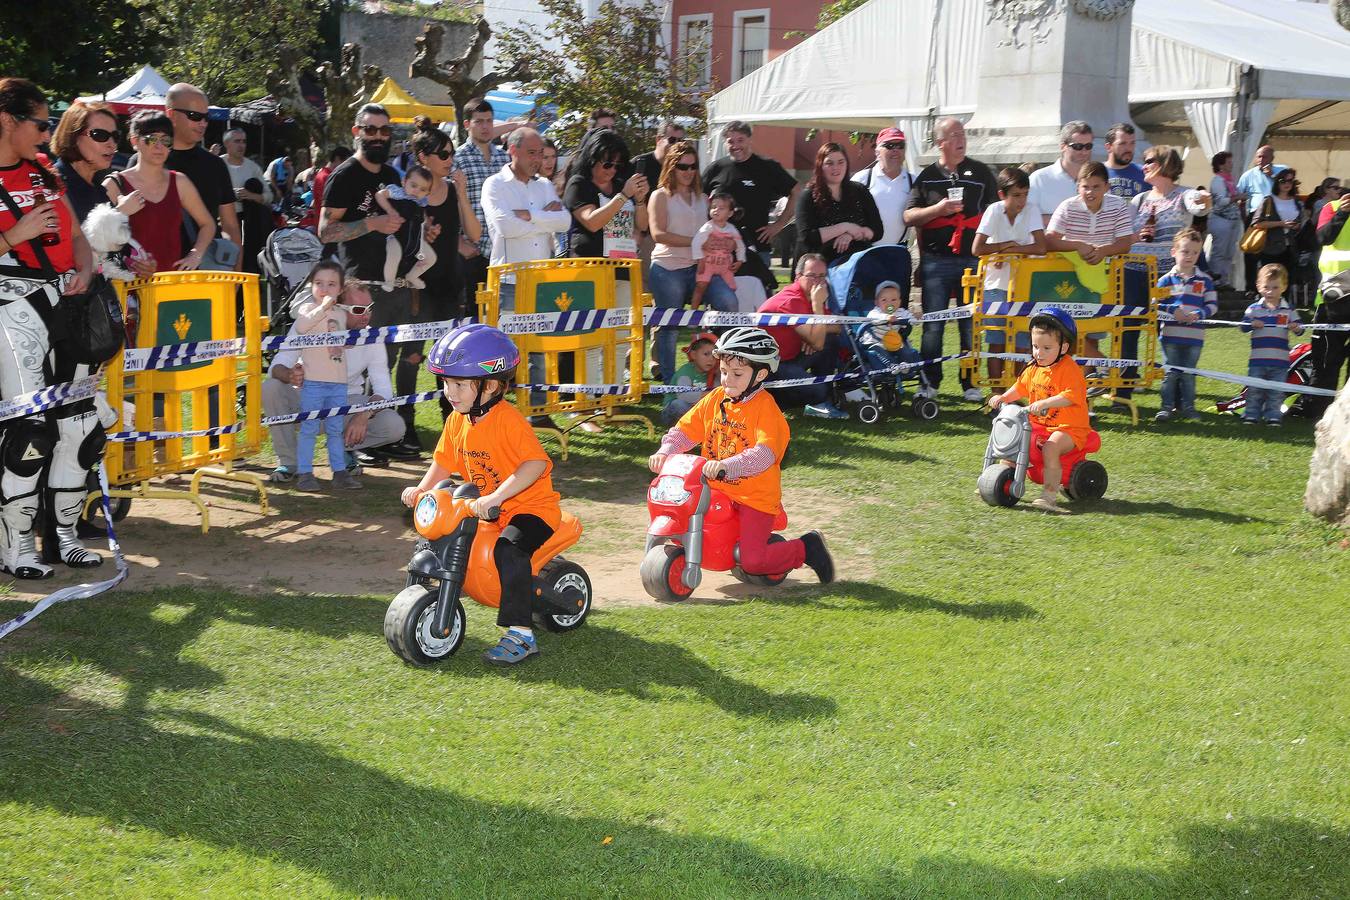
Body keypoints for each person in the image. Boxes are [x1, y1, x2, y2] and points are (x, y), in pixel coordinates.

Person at [401, 325, 564, 666]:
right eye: (446, 383)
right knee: (443, 536)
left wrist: (497, 498)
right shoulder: (458, 421)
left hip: (530, 509)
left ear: (490, 385)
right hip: (487, 509)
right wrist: (422, 489)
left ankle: (521, 635)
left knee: (510, 550)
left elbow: (535, 463)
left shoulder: (508, 421)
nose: (450, 392)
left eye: (459, 384)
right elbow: (443, 463)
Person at [0, 77, 103, 577]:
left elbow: (77, 233)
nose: (47, 135)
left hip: (65, 302)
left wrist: (84, 267)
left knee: (82, 426)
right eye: (40, 124)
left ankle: (62, 537)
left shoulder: (43, 171)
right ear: (7, 120)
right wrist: (14, 234)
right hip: (10, 305)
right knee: (29, 429)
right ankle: (14, 547)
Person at [648, 327, 835, 583]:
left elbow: (763, 455)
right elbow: (686, 430)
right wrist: (666, 450)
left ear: (760, 374)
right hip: (715, 488)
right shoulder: (715, 399)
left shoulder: (767, 410)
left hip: (754, 496)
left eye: (737, 374)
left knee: (753, 561)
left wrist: (727, 465)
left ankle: (806, 548)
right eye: (723, 372)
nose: (727, 380)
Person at [264, 281, 406, 483]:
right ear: (336, 308)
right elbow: (275, 367)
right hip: (306, 402)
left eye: (369, 309)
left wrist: (364, 415)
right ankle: (289, 461)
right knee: (271, 387)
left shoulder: (372, 336)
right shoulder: (307, 324)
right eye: (358, 310)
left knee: (394, 426)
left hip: (347, 405)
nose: (366, 316)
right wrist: (288, 375)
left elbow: (384, 389)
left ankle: (342, 448)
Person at [904, 117, 1000, 402]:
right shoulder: (927, 176)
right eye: (955, 135)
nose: (962, 139)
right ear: (941, 142)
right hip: (936, 261)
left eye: (964, 134)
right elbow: (909, 216)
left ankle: (970, 383)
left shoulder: (981, 172)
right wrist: (938, 208)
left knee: (970, 324)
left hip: (973, 259)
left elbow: (995, 212)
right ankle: (929, 383)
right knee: (933, 326)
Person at [319, 104, 407, 379]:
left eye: (384, 130)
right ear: (357, 132)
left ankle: (377, 417)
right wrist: (371, 223)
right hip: (359, 288)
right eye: (371, 130)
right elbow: (325, 231)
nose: (378, 136)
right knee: (355, 367)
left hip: (393, 284)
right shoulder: (345, 175)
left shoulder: (392, 175)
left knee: (385, 363)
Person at [647, 141, 737, 382]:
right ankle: (669, 382)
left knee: (728, 303)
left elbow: (714, 229)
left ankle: (721, 371)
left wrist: (728, 244)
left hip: (701, 269)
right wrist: (696, 242)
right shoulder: (659, 196)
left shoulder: (702, 198)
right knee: (671, 325)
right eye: (682, 166)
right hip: (668, 267)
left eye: (693, 166)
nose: (688, 171)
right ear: (671, 167)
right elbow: (658, 234)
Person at [987, 308, 1090, 515]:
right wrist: (1002, 397)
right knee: (1012, 439)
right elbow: (1020, 387)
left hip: (1070, 428)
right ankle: (998, 480)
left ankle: (1049, 495)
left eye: (1046, 348)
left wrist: (1044, 403)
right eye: (1035, 346)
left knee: (1050, 447)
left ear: (1063, 347)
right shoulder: (1034, 367)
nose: (1039, 353)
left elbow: (1071, 396)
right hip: (1040, 424)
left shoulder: (1069, 369)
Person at [1045, 161, 1138, 367]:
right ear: (1078, 186)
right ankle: (1099, 366)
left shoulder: (1118, 206)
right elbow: (1049, 240)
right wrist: (1077, 246)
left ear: (1107, 187)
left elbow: (1125, 243)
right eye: (1085, 186)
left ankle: (1089, 383)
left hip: (1104, 278)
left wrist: (1103, 251)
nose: (1090, 192)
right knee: (1066, 329)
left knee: (1094, 329)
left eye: (1096, 186)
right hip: (1066, 279)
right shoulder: (1067, 206)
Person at [103, 112, 216, 275]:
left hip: (171, 287)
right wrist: (119, 212)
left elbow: (208, 224)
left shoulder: (179, 181)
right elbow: (92, 238)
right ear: (135, 141)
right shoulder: (115, 184)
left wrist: (195, 255)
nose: (159, 146)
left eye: (166, 140)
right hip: (128, 291)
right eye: (151, 139)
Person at [289, 261, 360, 491]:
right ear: (311, 286)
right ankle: (305, 473)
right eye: (319, 283)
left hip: (338, 383)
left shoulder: (341, 314)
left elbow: (339, 340)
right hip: (313, 383)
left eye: (331, 284)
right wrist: (322, 308)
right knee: (309, 429)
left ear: (340, 290)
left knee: (335, 429)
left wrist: (346, 343)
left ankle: (339, 471)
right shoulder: (307, 310)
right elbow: (301, 327)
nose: (324, 289)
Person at [973, 167, 1046, 380]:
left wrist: (1008, 249)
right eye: (1016, 195)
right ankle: (997, 394)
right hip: (995, 286)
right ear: (1002, 195)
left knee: (1023, 344)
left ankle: (1016, 395)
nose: (1021, 201)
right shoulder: (994, 211)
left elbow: (1041, 247)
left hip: (1024, 286)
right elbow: (977, 248)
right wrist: (1006, 246)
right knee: (996, 341)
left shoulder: (1031, 209)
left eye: (1025, 194)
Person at [759, 253, 848, 419]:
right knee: (817, 390)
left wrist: (815, 331)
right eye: (812, 276)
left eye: (822, 276)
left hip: (788, 359)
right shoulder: (792, 300)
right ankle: (774, 400)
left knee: (830, 340)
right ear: (798, 276)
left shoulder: (808, 295)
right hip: (769, 368)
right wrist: (817, 309)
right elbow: (818, 343)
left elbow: (837, 326)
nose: (818, 281)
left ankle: (822, 402)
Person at [163, 83, 241, 269]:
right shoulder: (145, 162)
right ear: (171, 115)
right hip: (157, 275)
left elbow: (230, 226)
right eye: (195, 116)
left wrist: (235, 277)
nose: (203, 123)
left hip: (207, 273)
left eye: (206, 117)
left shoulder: (215, 165)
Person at [701, 121, 799, 269]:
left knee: (757, 291)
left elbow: (797, 191)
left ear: (750, 139)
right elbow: (698, 200)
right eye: (730, 141)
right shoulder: (716, 168)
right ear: (725, 143)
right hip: (719, 250)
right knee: (720, 292)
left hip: (757, 248)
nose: (735, 146)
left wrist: (779, 225)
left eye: (740, 140)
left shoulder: (767, 167)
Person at [1154, 229, 1218, 423]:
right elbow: (1154, 304)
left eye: (1195, 252)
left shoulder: (1205, 280)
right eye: (1185, 251)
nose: (1190, 256)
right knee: (1171, 374)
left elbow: (1213, 306)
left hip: (1194, 338)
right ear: (1174, 252)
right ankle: (1166, 408)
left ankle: (1189, 408)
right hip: (1170, 336)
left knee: (1189, 374)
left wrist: (1199, 314)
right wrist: (1173, 310)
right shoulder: (1165, 279)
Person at [453, 98, 510, 313]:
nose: (486, 126)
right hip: (471, 252)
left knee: (503, 315)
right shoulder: (457, 159)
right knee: (472, 317)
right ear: (467, 124)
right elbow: (448, 206)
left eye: (489, 121)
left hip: (501, 252)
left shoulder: (504, 159)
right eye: (479, 121)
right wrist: (458, 243)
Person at [795, 141, 882, 266]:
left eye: (841, 162)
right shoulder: (808, 196)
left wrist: (851, 235)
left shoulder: (860, 191)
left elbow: (877, 230)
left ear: (847, 164)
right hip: (819, 270)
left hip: (855, 267)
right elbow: (808, 237)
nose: (836, 168)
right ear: (820, 166)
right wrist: (845, 227)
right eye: (829, 163)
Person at [1239, 263, 1305, 426]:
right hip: (1257, 360)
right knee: (1254, 390)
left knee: (1276, 391)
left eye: (1275, 287)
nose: (1270, 291)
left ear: (1284, 287)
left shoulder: (1288, 310)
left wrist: (1296, 327)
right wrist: (1251, 323)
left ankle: (1273, 416)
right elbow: (1242, 326)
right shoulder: (1253, 309)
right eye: (1266, 287)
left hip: (1280, 362)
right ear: (1258, 286)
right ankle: (1251, 415)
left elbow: (1301, 329)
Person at [1132, 146, 1211, 275]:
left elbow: (1198, 208)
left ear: (1166, 162)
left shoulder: (1184, 194)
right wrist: (1137, 236)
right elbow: (1124, 237)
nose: (1143, 167)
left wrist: (1203, 199)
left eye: (1149, 161)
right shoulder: (1140, 199)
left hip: (1168, 275)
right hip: (1133, 272)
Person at [1310, 187, 1350, 415]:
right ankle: (1320, 413)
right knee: (1326, 361)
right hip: (1331, 299)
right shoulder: (1331, 208)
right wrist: (1342, 214)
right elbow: (1323, 238)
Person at [48, 100, 115, 223]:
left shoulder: (97, 187)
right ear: (74, 137)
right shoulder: (54, 185)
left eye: (115, 136)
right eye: (100, 135)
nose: (112, 144)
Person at [374, 165, 436, 291]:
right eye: (413, 185)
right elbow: (379, 195)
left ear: (428, 192)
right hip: (396, 236)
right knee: (393, 255)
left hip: (415, 240)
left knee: (431, 258)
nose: (417, 191)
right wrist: (390, 210)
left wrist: (429, 226)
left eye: (423, 189)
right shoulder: (398, 193)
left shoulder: (421, 202)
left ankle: (412, 276)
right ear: (404, 182)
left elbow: (423, 217)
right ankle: (389, 281)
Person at [1247, 168, 1306, 299]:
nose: (1287, 184)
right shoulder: (1269, 200)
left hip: (1290, 247)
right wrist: (1281, 223)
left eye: (1290, 181)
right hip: (1270, 247)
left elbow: (1300, 222)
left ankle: (1284, 308)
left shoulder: (1296, 202)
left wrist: (1296, 226)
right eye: (1283, 181)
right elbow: (1257, 223)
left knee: (1286, 281)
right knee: (1269, 278)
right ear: (1277, 183)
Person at [221, 128, 272, 276]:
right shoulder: (217, 164)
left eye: (244, 141)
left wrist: (251, 195)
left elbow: (268, 196)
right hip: (222, 221)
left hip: (249, 222)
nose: (241, 145)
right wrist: (230, 194)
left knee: (247, 261)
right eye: (237, 141)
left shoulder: (252, 167)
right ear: (227, 144)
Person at [852, 127, 913, 246]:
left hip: (899, 251)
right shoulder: (861, 179)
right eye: (889, 145)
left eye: (900, 145)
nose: (896, 150)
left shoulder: (914, 181)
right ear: (877, 152)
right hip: (865, 251)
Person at [1029, 121, 1094, 226]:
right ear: (1063, 146)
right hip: (1050, 241)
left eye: (1088, 146)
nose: (1084, 151)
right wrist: (1067, 220)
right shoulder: (1039, 179)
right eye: (1078, 146)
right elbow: (1026, 217)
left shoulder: (1099, 179)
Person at [857, 280, 920, 386]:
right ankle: (892, 365)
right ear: (877, 302)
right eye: (884, 300)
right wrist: (886, 317)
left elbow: (910, 318)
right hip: (874, 341)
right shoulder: (875, 312)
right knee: (880, 351)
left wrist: (916, 318)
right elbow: (873, 318)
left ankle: (906, 366)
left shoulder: (901, 312)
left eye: (894, 300)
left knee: (906, 350)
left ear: (899, 302)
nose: (889, 303)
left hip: (893, 342)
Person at [690, 192, 745, 309]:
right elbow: (696, 242)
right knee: (701, 286)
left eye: (721, 208)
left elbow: (740, 245)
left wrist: (740, 260)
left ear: (730, 213)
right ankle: (692, 314)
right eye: (714, 207)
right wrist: (700, 260)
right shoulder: (708, 227)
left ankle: (721, 317)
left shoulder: (732, 229)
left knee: (730, 289)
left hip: (725, 266)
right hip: (707, 264)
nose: (716, 210)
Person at [661, 332, 717, 425]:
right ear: (693, 355)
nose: (711, 359)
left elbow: (719, 393)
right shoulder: (685, 371)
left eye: (714, 356)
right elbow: (683, 395)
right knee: (678, 404)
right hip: (673, 411)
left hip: (697, 409)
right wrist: (708, 395)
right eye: (706, 354)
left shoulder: (714, 373)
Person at [1207, 151, 1243, 288]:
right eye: (1229, 162)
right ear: (1220, 165)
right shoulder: (1217, 180)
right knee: (1219, 251)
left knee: (1229, 252)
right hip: (1221, 220)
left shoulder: (1229, 180)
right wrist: (1238, 197)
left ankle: (1224, 280)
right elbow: (1221, 201)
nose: (1231, 164)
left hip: (1232, 220)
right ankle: (1214, 279)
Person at [299, 145, 351, 232]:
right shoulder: (326, 177)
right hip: (329, 229)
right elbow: (333, 205)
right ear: (337, 159)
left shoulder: (324, 175)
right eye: (346, 163)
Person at [630, 120, 685, 191]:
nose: (677, 145)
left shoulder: (684, 167)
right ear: (658, 139)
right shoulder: (638, 164)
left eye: (680, 141)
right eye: (672, 140)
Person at [1103, 122, 1147, 201]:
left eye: (1132, 143)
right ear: (1109, 147)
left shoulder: (1145, 173)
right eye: (1122, 143)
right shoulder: (1097, 172)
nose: (1128, 148)